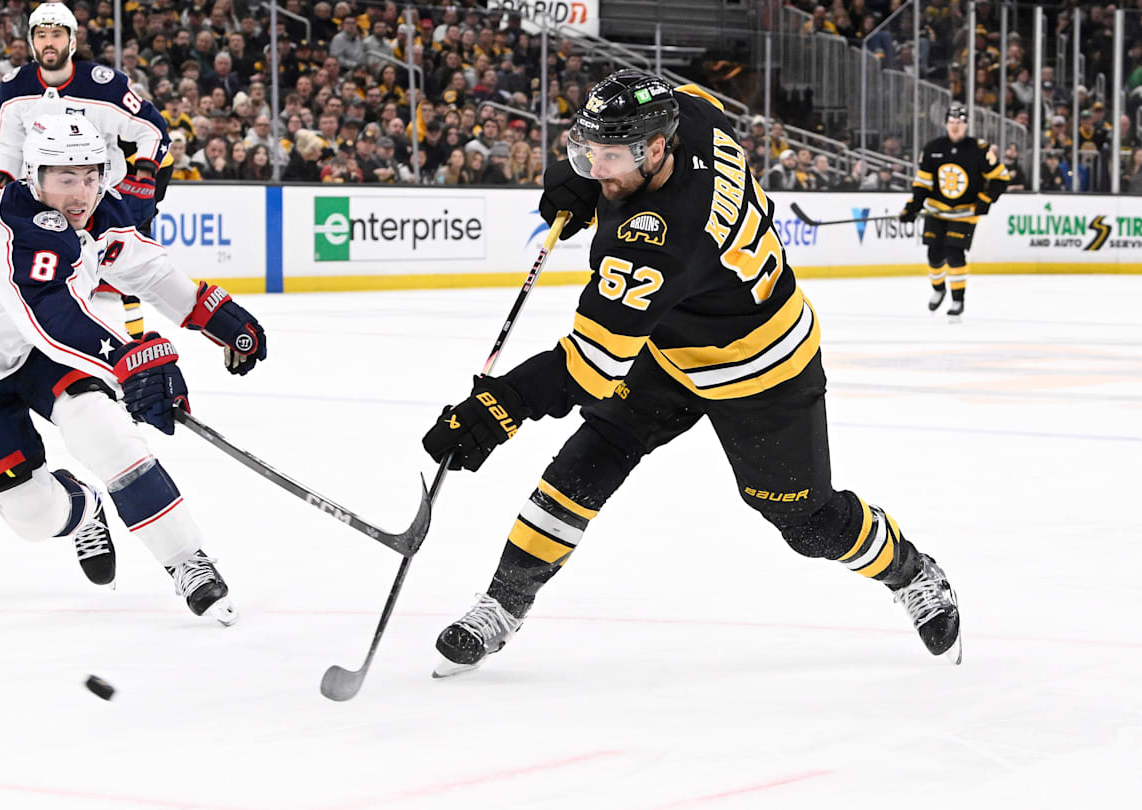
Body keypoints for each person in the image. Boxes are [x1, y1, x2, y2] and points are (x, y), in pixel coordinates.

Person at [421, 70, 962, 678]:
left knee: (807, 523)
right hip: (670, 343)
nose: (598, 168)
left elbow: (590, 367)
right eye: (588, 151)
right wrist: (588, 178)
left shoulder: (658, 241)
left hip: (762, 367)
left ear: (656, 149)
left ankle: (913, 573)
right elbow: (692, 97)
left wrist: (502, 406)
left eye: (611, 157)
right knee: (587, 459)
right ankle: (503, 603)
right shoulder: (689, 117)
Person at [0, 114, 268, 624]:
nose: (81, 194)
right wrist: (131, 360)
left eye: (92, 176)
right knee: (32, 517)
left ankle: (187, 560)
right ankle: (83, 509)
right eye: (66, 178)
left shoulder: (94, 210)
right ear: (33, 177)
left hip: (33, 352)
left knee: (105, 432)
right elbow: (51, 317)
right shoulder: (14, 232)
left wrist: (216, 316)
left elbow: (144, 267)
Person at [0, 3, 174, 340]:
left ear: (72, 41)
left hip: (98, 200)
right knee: (44, 279)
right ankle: (46, 343)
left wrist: (144, 177)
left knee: (123, 272)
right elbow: (8, 146)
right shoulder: (14, 87)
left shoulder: (104, 85)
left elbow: (153, 128)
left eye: (56, 34)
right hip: (42, 201)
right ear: (31, 42)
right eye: (41, 35)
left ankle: (130, 340)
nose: (49, 42)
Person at [899, 104, 1009, 319]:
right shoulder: (932, 148)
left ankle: (958, 300)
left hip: (965, 213)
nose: (955, 126)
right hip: (936, 211)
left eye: (959, 122)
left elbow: (1001, 178)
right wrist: (913, 207)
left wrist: (986, 199)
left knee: (954, 253)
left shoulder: (979, 149)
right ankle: (939, 289)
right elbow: (922, 183)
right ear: (946, 124)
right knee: (934, 255)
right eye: (951, 122)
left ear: (966, 125)